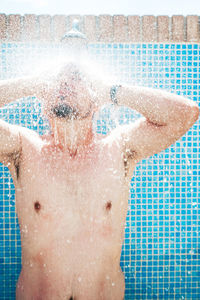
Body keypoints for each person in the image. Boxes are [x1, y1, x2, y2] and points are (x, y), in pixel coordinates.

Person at [0, 61, 199, 300]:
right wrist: (29, 85)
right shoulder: (24, 148)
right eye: (57, 80)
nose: (65, 84)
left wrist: (113, 92)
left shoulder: (119, 148)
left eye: (77, 78)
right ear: (43, 104)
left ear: (96, 101)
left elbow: (186, 113)